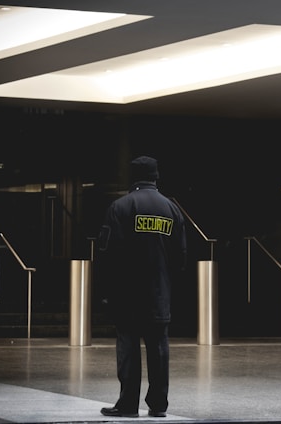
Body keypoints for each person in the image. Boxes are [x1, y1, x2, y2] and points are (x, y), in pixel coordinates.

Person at [97, 155, 187, 418]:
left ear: (132, 177)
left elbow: (108, 255)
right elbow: (180, 258)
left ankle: (127, 405)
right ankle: (158, 405)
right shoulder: (172, 209)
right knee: (159, 349)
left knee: (128, 348)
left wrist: (106, 292)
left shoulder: (121, 206)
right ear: (156, 176)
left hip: (127, 295)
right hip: (160, 294)